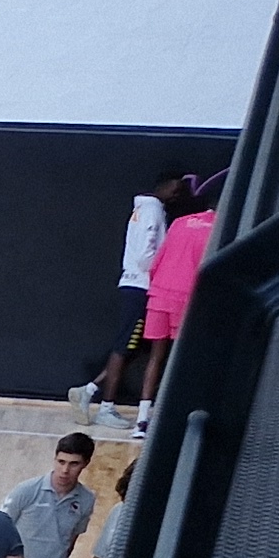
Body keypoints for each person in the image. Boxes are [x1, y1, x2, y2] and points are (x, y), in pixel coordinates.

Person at [69, 177, 201, 442]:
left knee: (137, 345)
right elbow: (144, 256)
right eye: (174, 189)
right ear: (162, 186)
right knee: (125, 345)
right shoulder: (152, 211)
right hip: (141, 287)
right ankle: (106, 407)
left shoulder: (145, 209)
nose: (176, 195)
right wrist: (163, 269)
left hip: (136, 285)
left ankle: (90, 389)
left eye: (180, 192)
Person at [128, 190, 219, 426]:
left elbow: (158, 259)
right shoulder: (219, 228)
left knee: (155, 357)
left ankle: (141, 419)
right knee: (182, 358)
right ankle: (173, 417)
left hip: (159, 293)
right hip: (186, 297)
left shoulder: (179, 222)